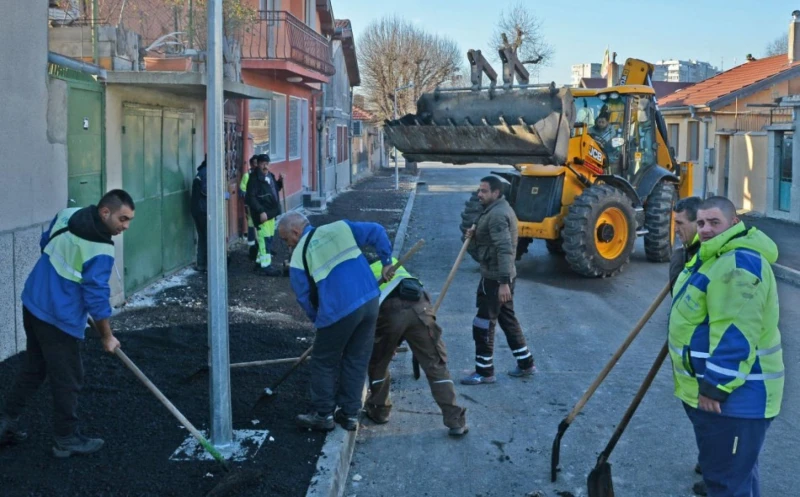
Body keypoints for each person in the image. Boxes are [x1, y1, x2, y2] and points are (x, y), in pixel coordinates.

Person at [0, 190, 134, 457]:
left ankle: (4, 423)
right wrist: (107, 337)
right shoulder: (101, 249)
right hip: (58, 318)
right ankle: (66, 439)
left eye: (129, 220)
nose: (125, 226)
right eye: (122, 219)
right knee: (68, 378)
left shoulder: (67, 215)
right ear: (105, 212)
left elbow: (44, 242)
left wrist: (61, 283)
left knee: (34, 368)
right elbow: (96, 297)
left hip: (34, 301)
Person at [668, 196, 784, 497]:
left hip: (735, 399)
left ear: (734, 223)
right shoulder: (717, 256)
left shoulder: (738, 262)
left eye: (714, 222)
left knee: (726, 484)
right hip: (734, 399)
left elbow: (737, 331)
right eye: (702, 223)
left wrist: (715, 386)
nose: (705, 229)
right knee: (738, 478)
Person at [278, 212, 394, 432]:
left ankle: (323, 415)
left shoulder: (298, 257)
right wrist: (386, 261)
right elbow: (377, 231)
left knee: (323, 360)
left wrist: (320, 322)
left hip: (339, 309)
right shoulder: (340, 227)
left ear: (296, 231)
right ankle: (350, 415)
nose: (287, 245)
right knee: (356, 358)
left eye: (286, 239)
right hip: (369, 300)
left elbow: (304, 298)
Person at [365, 259, 469, 437]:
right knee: (435, 364)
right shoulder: (392, 262)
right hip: (420, 307)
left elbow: (366, 316)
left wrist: (387, 344)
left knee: (378, 362)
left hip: (389, 313)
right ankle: (455, 421)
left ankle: (380, 411)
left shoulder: (361, 274)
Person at [461, 176, 535, 385]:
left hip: (496, 279)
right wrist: (474, 235)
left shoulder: (498, 215)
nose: (479, 194)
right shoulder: (495, 210)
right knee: (507, 319)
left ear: (496, 193)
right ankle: (526, 363)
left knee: (482, 324)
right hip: (497, 275)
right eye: (479, 190)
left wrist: (503, 282)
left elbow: (504, 249)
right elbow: (492, 241)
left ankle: (484, 372)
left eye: (484, 191)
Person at [246, 153, 283, 276]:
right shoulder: (254, 179)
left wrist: (280, 182)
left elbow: (275, 189)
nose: (265, 166)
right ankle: (266, 266)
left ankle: (258, 262)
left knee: (270, 237)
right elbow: (251, 198)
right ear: (258, 164)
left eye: (267, 163)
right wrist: (261, 211)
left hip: (271, 213)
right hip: (262, 215)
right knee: (264, 239)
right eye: (263, 164)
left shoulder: (270, 176)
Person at [669, 196, 703, 285]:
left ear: (698, 222)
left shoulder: (708, 254)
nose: (676, 229)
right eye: (675, 223)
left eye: (680, 223)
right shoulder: (683, 253)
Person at [190, 156, 208, 271]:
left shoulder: (200, 172)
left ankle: (201, 263)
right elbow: (207, 190)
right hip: (204, 210)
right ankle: (208, 264)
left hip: (197, 210)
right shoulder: (207, 173)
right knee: (208, 237)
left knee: (202, 236)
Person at [239, 155, 259, 261]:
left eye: (257, 163)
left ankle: (260, 247)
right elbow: (242, 190)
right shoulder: (247, 176)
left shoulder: (260, 175)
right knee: (251, 225)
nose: (256, 165)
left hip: (260, 205)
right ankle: (252, 248)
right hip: (251, 205)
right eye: (255, 163)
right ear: (251, 164)